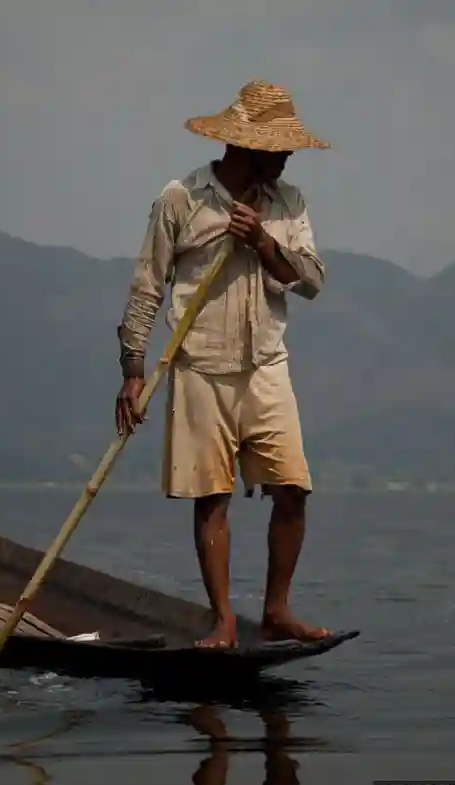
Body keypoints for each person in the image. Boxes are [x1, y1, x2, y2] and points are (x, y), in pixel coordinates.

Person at [115, 79, 331, 648]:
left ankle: (277, 609)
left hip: (265, 365)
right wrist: (133, 369)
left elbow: (311, 281)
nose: (285, 158)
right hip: (199, 368)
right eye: (277, 148)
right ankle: (224, 620)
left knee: (292, 490)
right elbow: (147, 287)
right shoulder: (182, 199)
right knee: (212, 496)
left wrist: (263, 242)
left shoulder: (289, 204)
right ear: (243, 146)